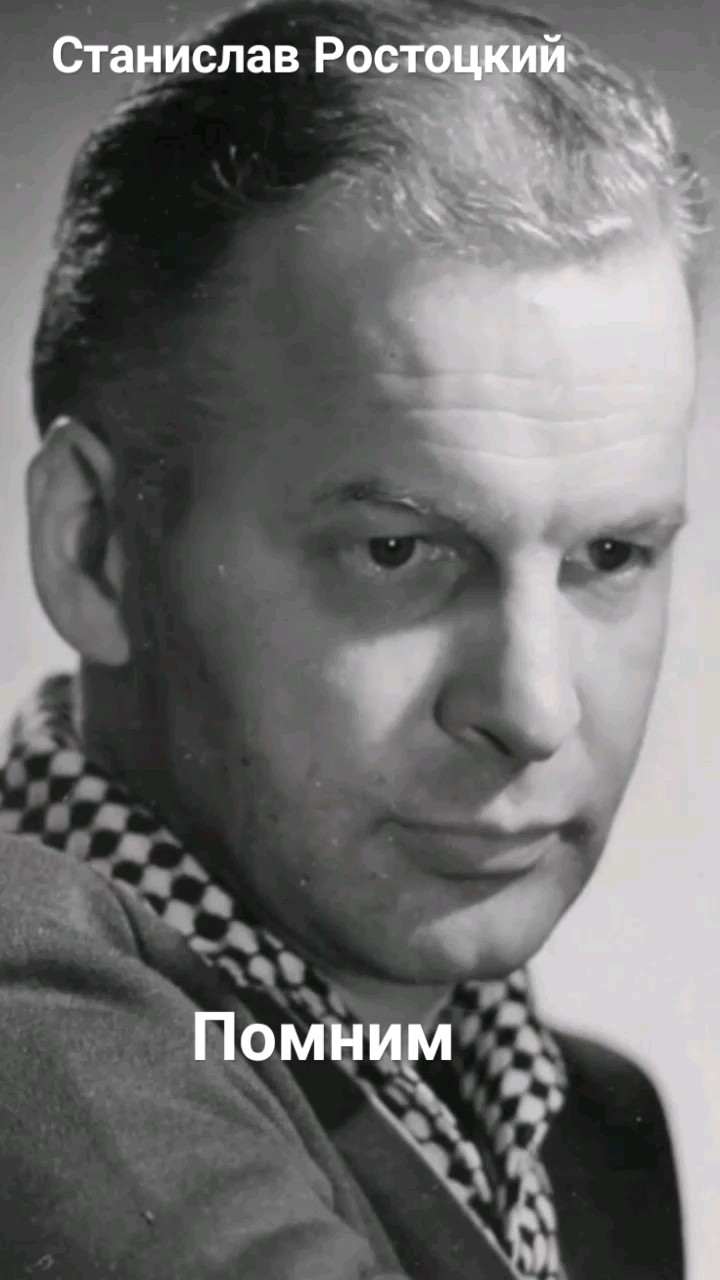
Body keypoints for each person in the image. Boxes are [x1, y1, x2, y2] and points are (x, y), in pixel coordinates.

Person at [0, 1, 705, 1276]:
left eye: (610, 555)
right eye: (397, 550)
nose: (534, 709)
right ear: (94, 547)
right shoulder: (25, 1025)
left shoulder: (595, 1133)